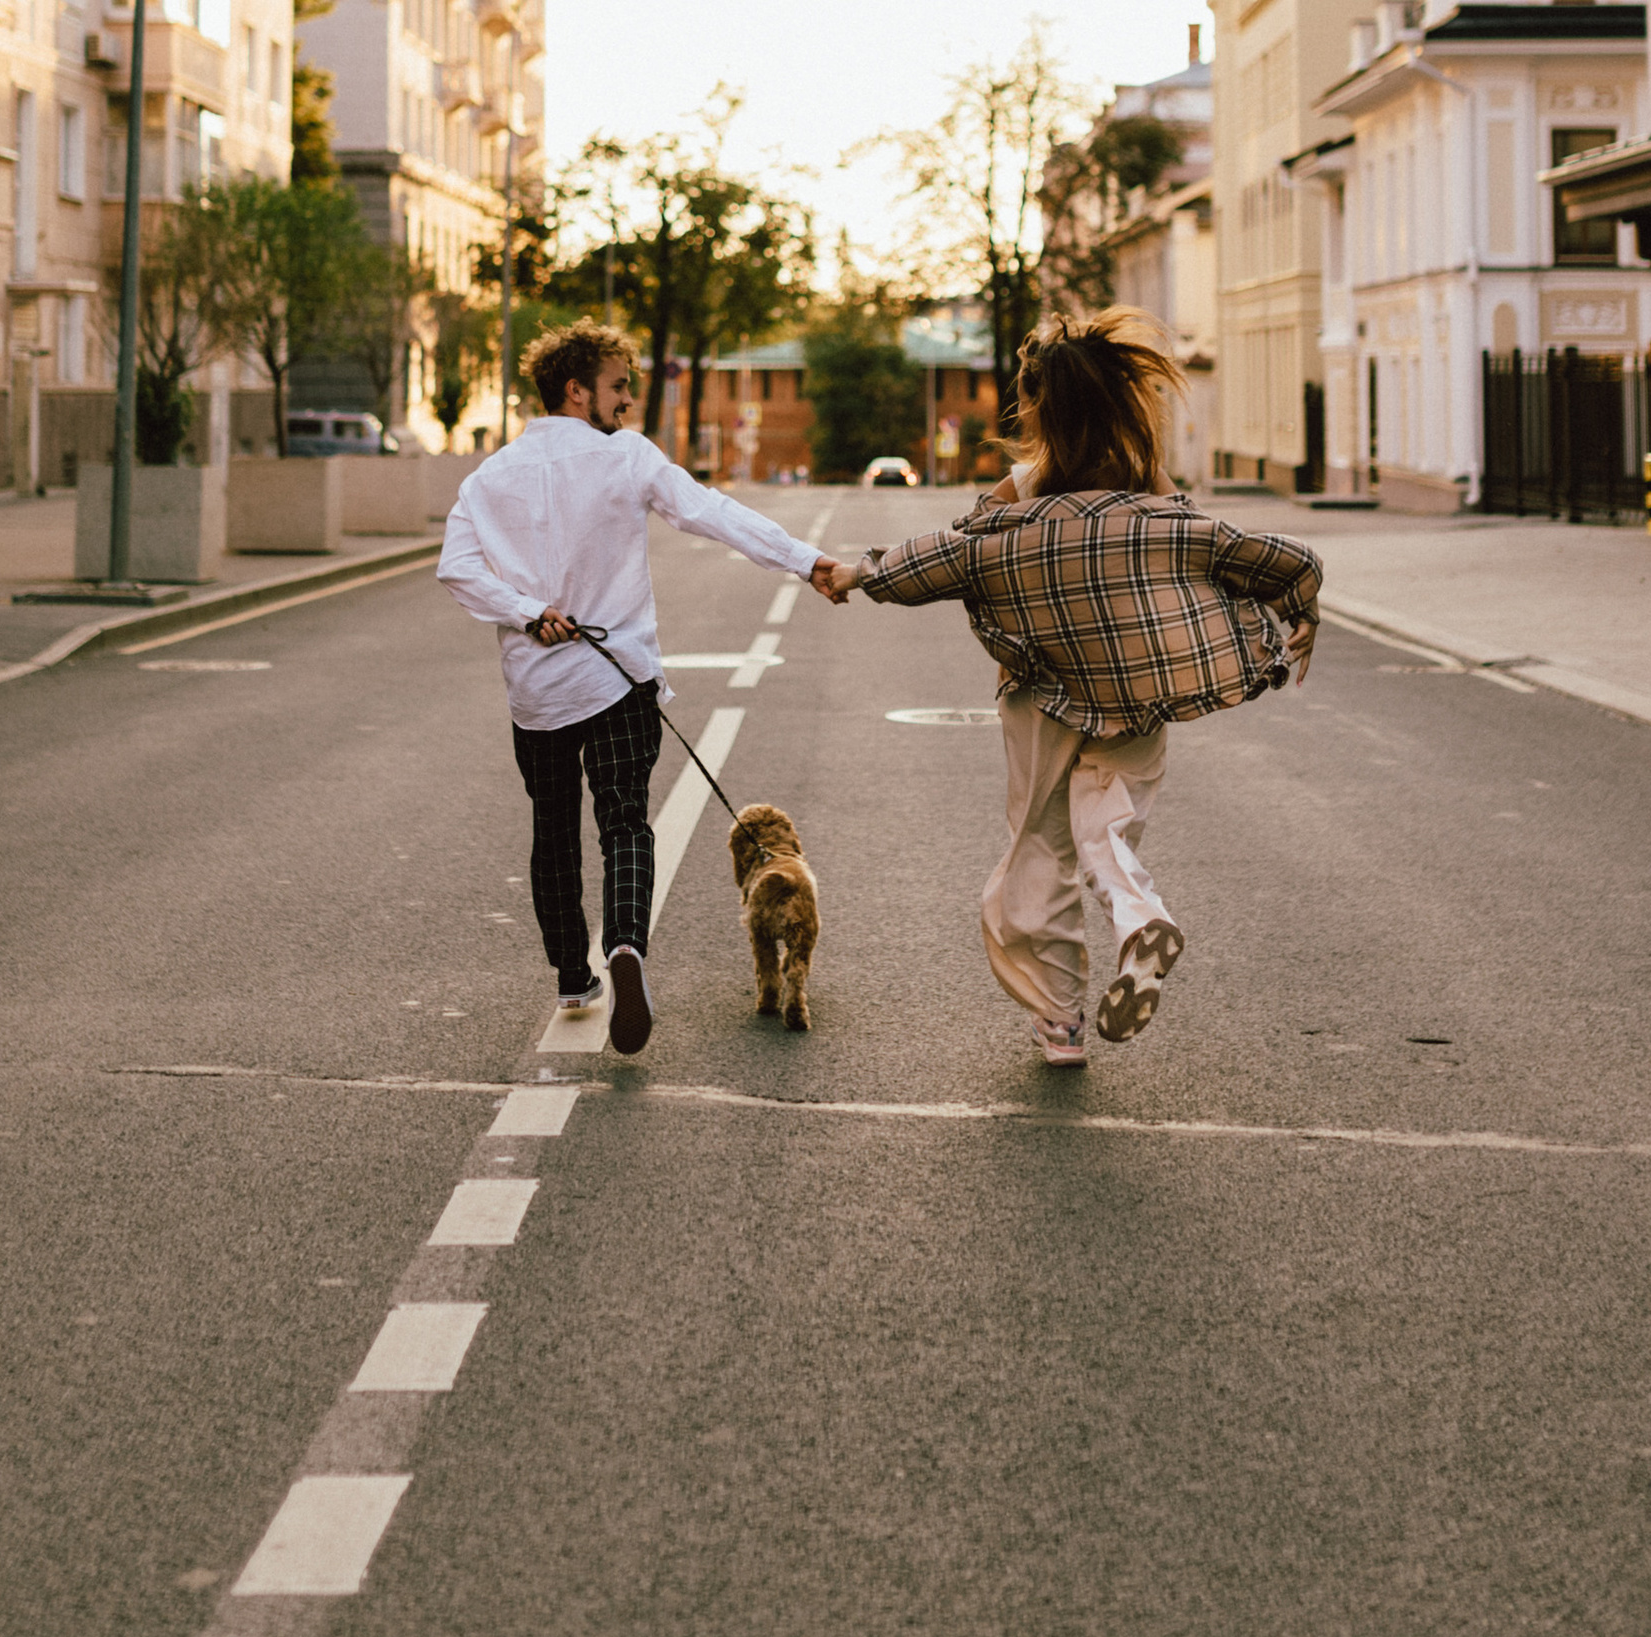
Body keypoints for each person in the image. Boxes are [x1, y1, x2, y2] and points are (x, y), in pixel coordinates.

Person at [834, 307, 1320, 1068]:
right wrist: (1300, 606)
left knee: (1042, 846)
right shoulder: (1145, 480)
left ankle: (1059, 1021)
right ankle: (1137, 916)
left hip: (1041, 694)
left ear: (1034, 406)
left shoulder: (1022, 488)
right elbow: (1222, 550)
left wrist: (860, 571)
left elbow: (948, 557)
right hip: (1135, 691)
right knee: (1107, 825)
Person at [437, 318, 846, 1055]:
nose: (627, 403)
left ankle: (572, 975)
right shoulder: (626, 457)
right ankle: (625, 945)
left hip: (537, 689)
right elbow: (712, 513)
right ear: (576, 388)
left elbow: (458, 569)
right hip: (620, 676)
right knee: (625, 822)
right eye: (619, 387)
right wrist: (804, 561)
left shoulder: (488, 476)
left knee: (553, 831)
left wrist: (528, 613)